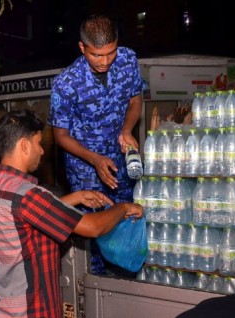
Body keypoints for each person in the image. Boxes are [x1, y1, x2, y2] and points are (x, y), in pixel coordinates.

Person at [0, 110, 143, 318]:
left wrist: (77, 197)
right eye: (37, 143)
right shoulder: (26, 194)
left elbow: (26, 215)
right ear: (24, 146)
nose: (42, 151)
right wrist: (124, 208)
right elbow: (93, 227)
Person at [49, 14, 143, 274]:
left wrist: (126, 129)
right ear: (82, 48)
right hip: (86, 172)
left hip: (122, 162)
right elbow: (60, 136)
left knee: (127, 221)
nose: (104, 62)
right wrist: (95, 160)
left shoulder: (127, 60)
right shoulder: (66, 83)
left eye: (109, 53)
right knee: (93, 237)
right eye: (96, 55)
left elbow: (136, 101)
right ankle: (95, 292)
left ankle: (128, 282)